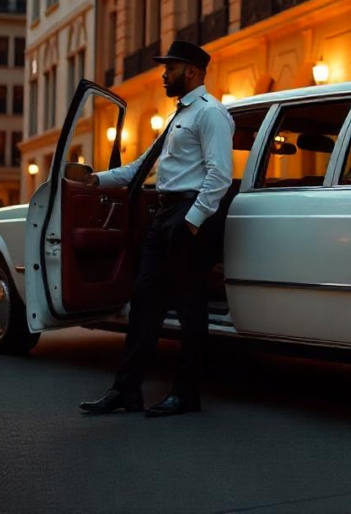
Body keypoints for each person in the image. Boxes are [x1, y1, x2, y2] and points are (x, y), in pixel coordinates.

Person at [78, 40, 234, 418]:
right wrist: (96, 180)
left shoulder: (210, 114)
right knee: (144, 305)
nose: (164, 74)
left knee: (189, 310)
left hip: (189, 216)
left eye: (171, 67)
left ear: (192, 72)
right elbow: (141, 168)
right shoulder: (179, 116)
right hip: (164, 217)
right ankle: (126, 390)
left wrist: (192, 222)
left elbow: (220, 175)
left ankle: (186, 394)